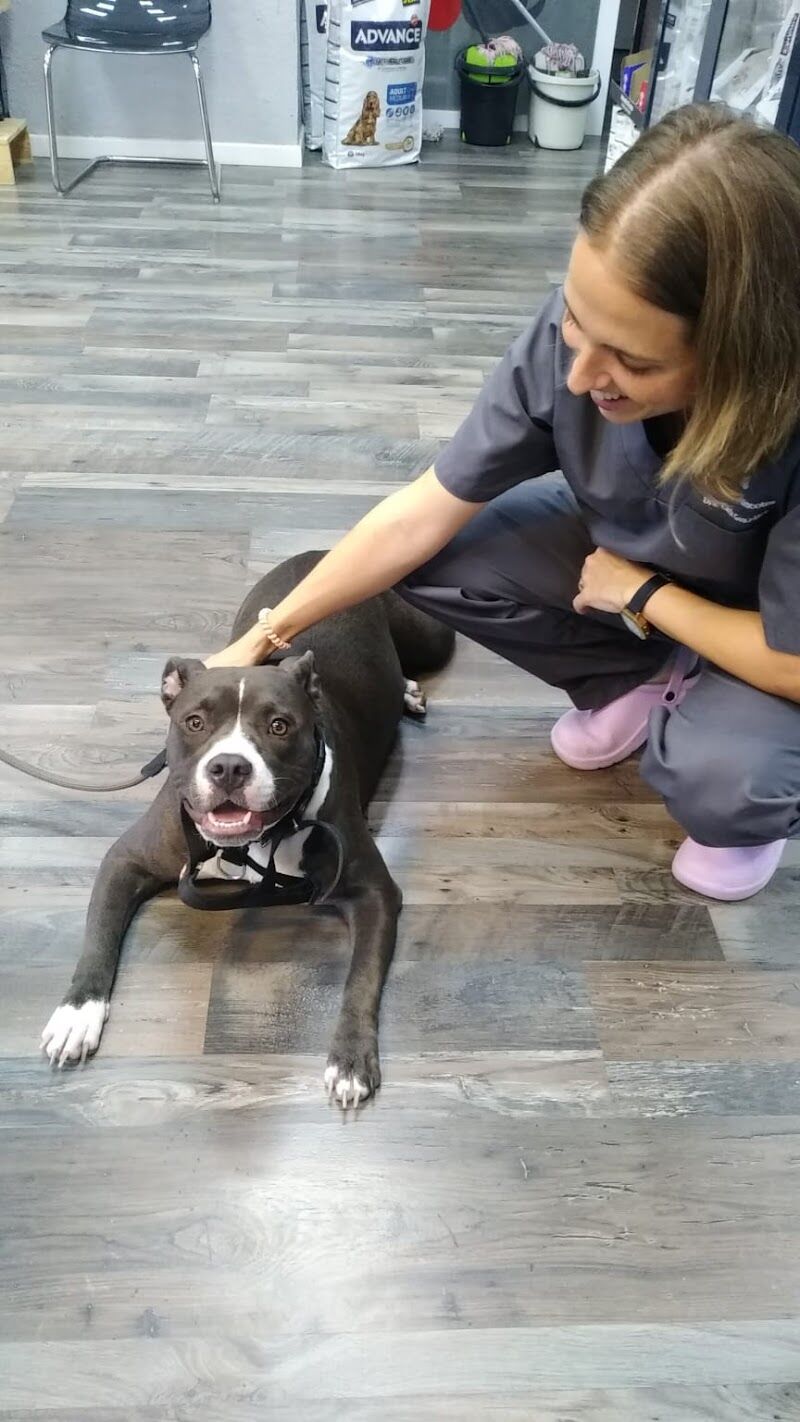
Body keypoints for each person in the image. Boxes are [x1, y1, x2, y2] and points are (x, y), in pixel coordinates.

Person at [206, 104, 800, 903]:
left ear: (743, 354)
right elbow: (422, 513)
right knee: (430, 559)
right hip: (656, 566)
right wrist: (262, 637)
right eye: (575, 320)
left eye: (631, 361)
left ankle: (746, 800)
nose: (580, 377)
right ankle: (640, 679)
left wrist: (644, 595)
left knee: (725, 784)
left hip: (772, 641)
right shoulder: (576, 351)